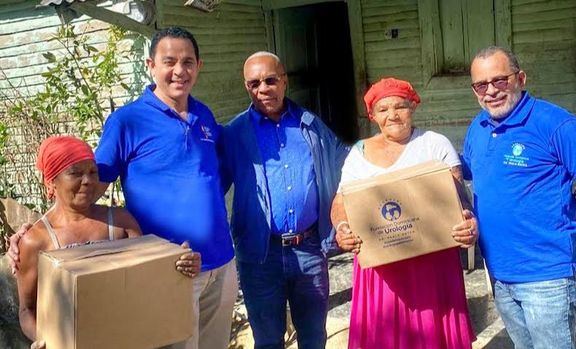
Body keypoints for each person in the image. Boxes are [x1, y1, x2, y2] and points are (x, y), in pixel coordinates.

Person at [8, 27, 237, 349]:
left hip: (221, 261)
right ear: (150, 65)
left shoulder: (204, 115)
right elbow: (87, 189)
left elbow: (209, 178)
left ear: (199, 66)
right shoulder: (127, 121)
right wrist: (35, 230)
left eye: (187, 62)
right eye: (169, 61)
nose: (179, 71)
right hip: (170, 267)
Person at [462, 46, 576, 349]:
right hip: (500, 272)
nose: (491, 91)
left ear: (520, 78)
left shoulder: (554, 123)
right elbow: (469, 172)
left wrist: (559, 213)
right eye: (481, 84)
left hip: (547, 275)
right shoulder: (477, 127)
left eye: (500, 80)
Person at [330, 77, 478, 349]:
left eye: (400, 106)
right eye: (383, 110)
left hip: (432, 263)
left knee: (434, 337)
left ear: (413, 108)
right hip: (382, 268)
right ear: (372, 116)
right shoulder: (359, 154)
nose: (393, 115)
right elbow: (340, 202)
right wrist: (342, 228)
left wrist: (467, 221)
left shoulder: (434, 144)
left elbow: (460, 200)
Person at [16, 136, 200, 349]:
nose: (87, 180)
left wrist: (178, 265)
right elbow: (27, 310)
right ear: (51, 182)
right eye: (75, 173)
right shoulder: (36, 241)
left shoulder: (120, 222)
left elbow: (147, 280)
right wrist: (46, 339)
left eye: (93, 172)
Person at [218, 51, 349, 349]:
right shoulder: (235, 133)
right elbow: (211, 187)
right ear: (246, 87)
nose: (263, 89)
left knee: (314, 338)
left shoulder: (310, 125)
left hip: (309, 249)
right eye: (254, 83)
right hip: (260, 255)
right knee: (267, 341)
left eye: (270, 80)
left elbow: (346, 163)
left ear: (284, 81)